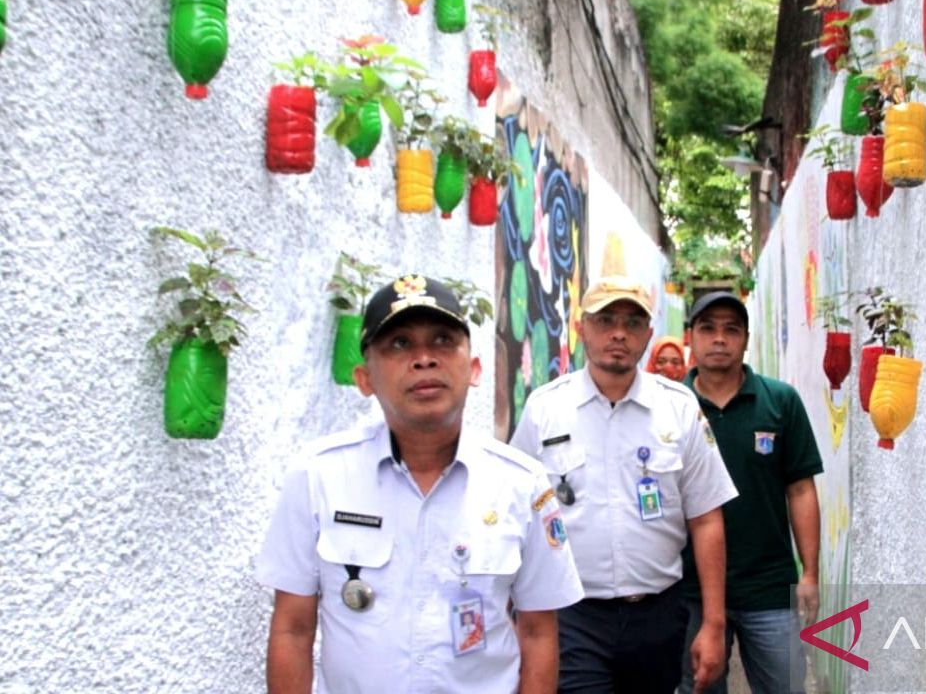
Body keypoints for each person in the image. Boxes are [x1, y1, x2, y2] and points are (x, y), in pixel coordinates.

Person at [256, 274, 584, 694]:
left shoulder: (522, 484)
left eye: (443, 341)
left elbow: (538, 632)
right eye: (399, 344)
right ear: (364, 378)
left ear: (475, 369)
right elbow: (292, 628)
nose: (424, 358)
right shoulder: (318, 475)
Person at [510, 275, 739, 694]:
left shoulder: (679, 409)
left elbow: (706, 518)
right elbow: (516, 515)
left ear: (648, 334)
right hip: (573, 617)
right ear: (582, 328)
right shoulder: (545, 409)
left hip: (658, 616)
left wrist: (713, 622)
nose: (619, 333)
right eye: (606, 320)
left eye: (633, 323)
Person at [678, 292, 824, 694]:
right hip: (690, 589)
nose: (719, 339)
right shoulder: (670, 405)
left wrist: (809, 573)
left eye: (731, 330)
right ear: (690, 336)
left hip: (770, 588)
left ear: (745, 339)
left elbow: (800, 489)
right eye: (708, 329)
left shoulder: (780, 401)